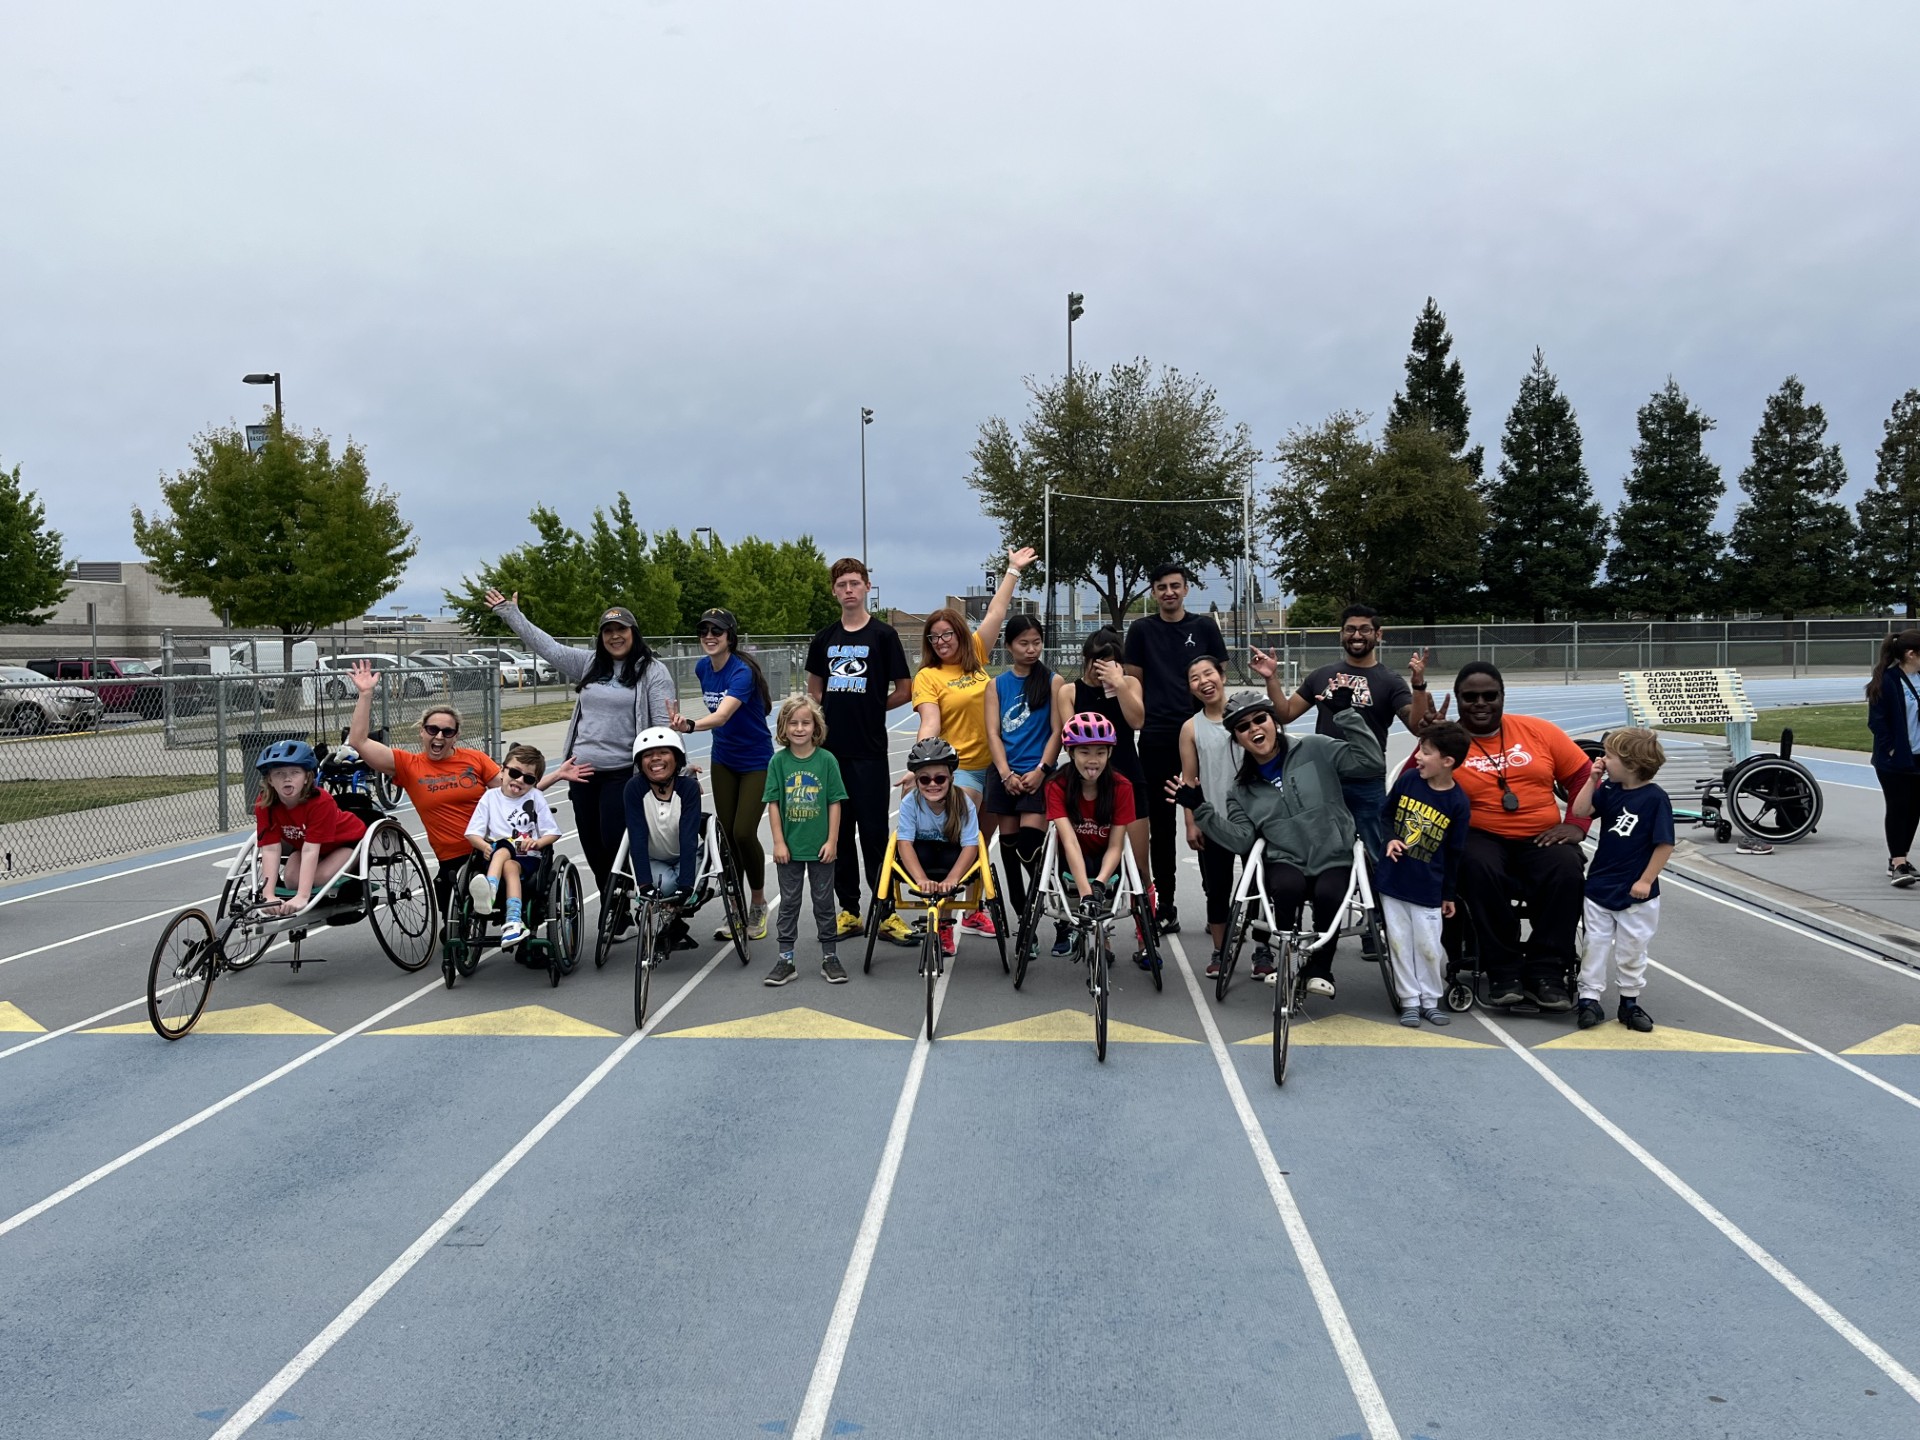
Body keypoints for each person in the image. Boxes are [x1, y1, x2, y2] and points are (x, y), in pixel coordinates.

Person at [1169, 688, 1381, 993]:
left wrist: (1347, 715)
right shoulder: (1240, 792)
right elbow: (1242, 841)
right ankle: (1287, 957)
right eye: (1243, 727)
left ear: (1274, 721)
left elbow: (1370, 762)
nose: (1254, 728)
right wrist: (1201, 809)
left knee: (1330, 894)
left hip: (1332, 855)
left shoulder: (1315, 748)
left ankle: (1320, 968)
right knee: (1285, 888)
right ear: (1237, 739)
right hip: (1286, 860)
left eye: (1260, 719)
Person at [346, 661, 573, 927]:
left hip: (491, 847)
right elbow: (359, 742)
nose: (439, 736)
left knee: (518, 886)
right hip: (452, 858)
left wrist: (555, 776)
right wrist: (365, 695)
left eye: (447, 731)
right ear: (422, 731)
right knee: (454, 930)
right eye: (432, 729)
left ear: (456, 736)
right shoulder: (408, 765)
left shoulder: (475, 760)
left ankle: (521, 930)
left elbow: (516, 791)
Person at [485, 590, 677, 896]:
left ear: (633, 633)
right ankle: (614, 907)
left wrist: (671, 767)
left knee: (614, 839)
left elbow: (664, 726)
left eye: (621, 630)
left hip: (623, 771)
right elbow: (547, 647)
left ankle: (628, 897)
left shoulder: (651, 671)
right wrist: (511, 614)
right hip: (581, 771)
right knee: (591, 843)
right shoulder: (589, 664)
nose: (615, 636)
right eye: (608, 631)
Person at [1449, 661, 1594, 1012]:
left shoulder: (1538, 731)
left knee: (1566, 868)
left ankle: (1547, 971)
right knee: (1476, 866)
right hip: (1480, 834)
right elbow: (1414, 781)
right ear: (1457, 700)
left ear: (1502, 697)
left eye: (1489, 696)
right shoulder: (1447, 740)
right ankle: (1503, 969)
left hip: (1539, 835)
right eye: (1470, 697)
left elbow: (1583, 774)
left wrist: (1576, 823)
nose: (1480, 703)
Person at [911, 544, 1036, 934]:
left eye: (947, 633)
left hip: (995, 767)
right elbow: (930, 722)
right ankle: (944, 922)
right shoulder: (929, 677)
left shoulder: (977, 654)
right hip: (960, 769)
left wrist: (1012, 570)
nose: (942, 641)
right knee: (958, 845)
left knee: (981, 843)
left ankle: (974, 907)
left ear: (960, 634)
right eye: (934, 638)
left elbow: (997, 611)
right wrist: (919, 763)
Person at [1254, 604, 1431, 866]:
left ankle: (1377, 905)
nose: (1356, 635)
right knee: (1323, 850)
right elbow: (1285, 714)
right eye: (1350, 629)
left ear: (1378, 635)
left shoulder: (1389, 681)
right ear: (1341, 634)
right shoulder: (1322, 675)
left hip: (1366, 780)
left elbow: (1417, 728)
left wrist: (1418, 686)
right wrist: (1272, 679)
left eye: (1364, 630)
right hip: (1323, 776)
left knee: (1376, 852)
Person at [806, 557, 914, 938]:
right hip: (831, 753)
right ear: (834, 591)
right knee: (839, 833)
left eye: (855, 583)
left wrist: (872, 706)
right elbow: (814, 687)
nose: (849, 590)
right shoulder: (824, 638)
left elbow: (905, 689)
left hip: (869, 750)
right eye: (842, 584)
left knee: (873, 833)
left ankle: (885, 912)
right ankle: (849, 910)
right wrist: (824, 713)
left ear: (867, 586)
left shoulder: (883, 636)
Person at [1124, 563, 1227, 935]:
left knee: (1209, 818)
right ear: (1153, 592)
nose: (1169, 592)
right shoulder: (1140, 630)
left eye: (1175, 586)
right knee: (1162, 827)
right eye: (1161, 587)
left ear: (1186, 590)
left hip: (1204, 737)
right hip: (1156, 737)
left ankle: (1215, 899)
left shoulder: (1203, 628)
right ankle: (1165, 904)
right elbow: (1133, 684)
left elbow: (1217, 677)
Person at [674, 608, 774, 941]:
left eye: (716, 631)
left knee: (744, 832)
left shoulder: (741, 672)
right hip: (724, 760)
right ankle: (736, 908)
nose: (709, 636)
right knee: (727, 838)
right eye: (704, 630)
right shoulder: (703, 668)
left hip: (756, 761)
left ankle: (758, 904)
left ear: (730, 635)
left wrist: (689, 725)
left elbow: (722, 716)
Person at [1570, 727, 1674, 1032]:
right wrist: (1593, 779)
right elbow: (1580, 810)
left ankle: (1630, 1001)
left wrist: (1646, 880)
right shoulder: (1609, 791)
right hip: (1601, 885)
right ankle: (1589, 999)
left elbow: (1664, 844)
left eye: (1609, 756)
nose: (1602, 759)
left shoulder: (1655, 799)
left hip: (1637, 893)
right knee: (1594, 944)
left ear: (1630, 763)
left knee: (1633, 948)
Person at [1176, 653, 1267, 979]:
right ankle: (1221, 949)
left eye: (1208, 673)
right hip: (1213, 822)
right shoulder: (1191, 728)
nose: (1204, 682)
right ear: (1190, 687)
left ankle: (1262, 948)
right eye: (1195, 677)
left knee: (1260, 886)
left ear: (1222, 675)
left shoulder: (1249, 716)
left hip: (1256, 820)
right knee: (1216, 888)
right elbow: (1189, 780)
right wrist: (1191, 822)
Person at [1377, 722, 1472, 1026]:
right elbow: (1386, 814)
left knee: (1429, 947)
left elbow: (1455, 852)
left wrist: (1448, 894)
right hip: (1393, 883)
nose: (1417, 756)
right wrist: (1390, 838)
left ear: (1447, 762)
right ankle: (1409, 1001)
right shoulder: (1408, 781)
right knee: (1399, 943)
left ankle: (1430, 999)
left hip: (1429, 888)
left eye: (1425, 752)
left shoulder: (1457, 802)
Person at [763, 695, 849, 987]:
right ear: (783, 727)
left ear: (816, 727)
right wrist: (778, 842)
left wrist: (833, 840)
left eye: (805, 722)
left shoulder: (826, 761)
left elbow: (835, 802)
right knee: (788, 903)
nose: (799, 728)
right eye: (793, 722)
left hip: (821, 848)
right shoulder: (778, 761)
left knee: (824, 903)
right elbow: (773, 803)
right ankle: (785, 958)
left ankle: (830, 956)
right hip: (790, 849)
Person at [1053, 626, 1149, 882]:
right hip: (1087, 783)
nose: (1101, 672)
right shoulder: (1070, 692)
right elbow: (1070, 741)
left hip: (1127, 775)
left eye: (1110, 665)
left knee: (1140, 864)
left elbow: (1137, 721)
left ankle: (1146, 915)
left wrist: (1118, 684)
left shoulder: (1129, 684)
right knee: (1086, 863)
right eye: (1098, 664)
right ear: (1087, 660)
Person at [984, 613, 1062, 926]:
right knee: (1009, 850)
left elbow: (1058, 730)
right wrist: (1005, 774)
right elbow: (993, 733)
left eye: (1036, 642)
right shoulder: (997, 685)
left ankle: (1057, 910)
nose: (1031, 649)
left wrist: (1042, 769)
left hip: (1039, 776)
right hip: (1005, 776)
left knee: (1031, 847)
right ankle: (1023, 915)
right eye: (1023, 643)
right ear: (1009, 645)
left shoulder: (1053, 681)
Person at [1044, 713, 1138, 959]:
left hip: (1105, 857)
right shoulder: (1057, 786)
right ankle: (1079, 920)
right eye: (1084, 752)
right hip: (1072, 857)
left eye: (1100, 752)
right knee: (1084, 864)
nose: (1093, 760)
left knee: (1101, 868)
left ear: (1110, 753)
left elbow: (1117, 845)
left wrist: (1099, 884)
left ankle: (1102, 932)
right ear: (1070, 752)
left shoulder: (1122, 787)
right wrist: (1087, 892)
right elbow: (1070, 841)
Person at [462, 743, 561, 948]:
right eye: (515, 772)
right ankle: (514, 921)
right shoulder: (490, 797)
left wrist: (537, 841)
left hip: (528, 857)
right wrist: (483, 846)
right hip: (499, 856)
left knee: (504, 849)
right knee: (504, 856)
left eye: (528, 778)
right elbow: (473, 833)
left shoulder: (535, 797)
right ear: (502, 770)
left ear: (535, 783)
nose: (519, 780)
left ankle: (490, 892)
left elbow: (553, 832)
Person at [253, 740, 365, 916]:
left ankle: (354, 861)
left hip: (344, 842)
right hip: (306, 844)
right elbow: (270, 849)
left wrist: (302, 896)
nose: (287, 778)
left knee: (320, 878)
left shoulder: (321, 802)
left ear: (307, 777)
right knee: (290, 880)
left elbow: (310, 850)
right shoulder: (264, 804)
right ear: (270, 779)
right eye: (279, 773)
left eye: (294, 773)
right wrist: (268, 895)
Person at [895, 737, 981, 959]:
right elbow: (904, 843)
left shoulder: (963, 803)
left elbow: (971, 846)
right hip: (922, 856)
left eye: (940, 778)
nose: (933, 784)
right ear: (917, 781)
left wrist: (953, 879)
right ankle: (937, 919)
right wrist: (921, 880)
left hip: (951, 857)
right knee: (916, 849)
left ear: (951, 778)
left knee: (959, 853)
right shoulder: (910, 803)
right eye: (924, 779)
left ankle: (944, 925)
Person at [623, 726, 703, 953]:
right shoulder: (634, 789)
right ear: (640, 763)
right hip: (653, 856)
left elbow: (689, 838)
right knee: (665, 887)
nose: (655, 759)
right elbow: (636, 836)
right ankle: (670, 920)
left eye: (663, 753)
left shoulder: (688, 788)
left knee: (689, 888)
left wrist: (687, 884)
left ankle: (674, 917)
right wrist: (644, 885)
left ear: (676, 758)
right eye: (648, 755)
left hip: (685, 854)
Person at [1866, 629, 1920, 887]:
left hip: (1919, 757)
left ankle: (1902, 858)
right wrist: (1892, 750)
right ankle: (1897, 862)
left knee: (1914, 810)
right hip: (1895, 760)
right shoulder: (1887, 681)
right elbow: (1877, 722)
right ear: (1911, 654)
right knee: (1898, 807)